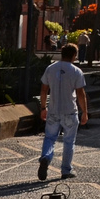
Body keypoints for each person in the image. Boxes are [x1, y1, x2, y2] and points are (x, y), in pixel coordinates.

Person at [38, 43, 89, 182]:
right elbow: (80, 93)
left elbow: (44, 90)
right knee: (68, 141)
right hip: (70, 111)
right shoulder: (76, 71)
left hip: (53, 110)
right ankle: (66, 170)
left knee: (49, 137)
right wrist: (84, 111)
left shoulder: (50, 68)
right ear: (74, 55)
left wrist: (43, 108)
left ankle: (46, 157)